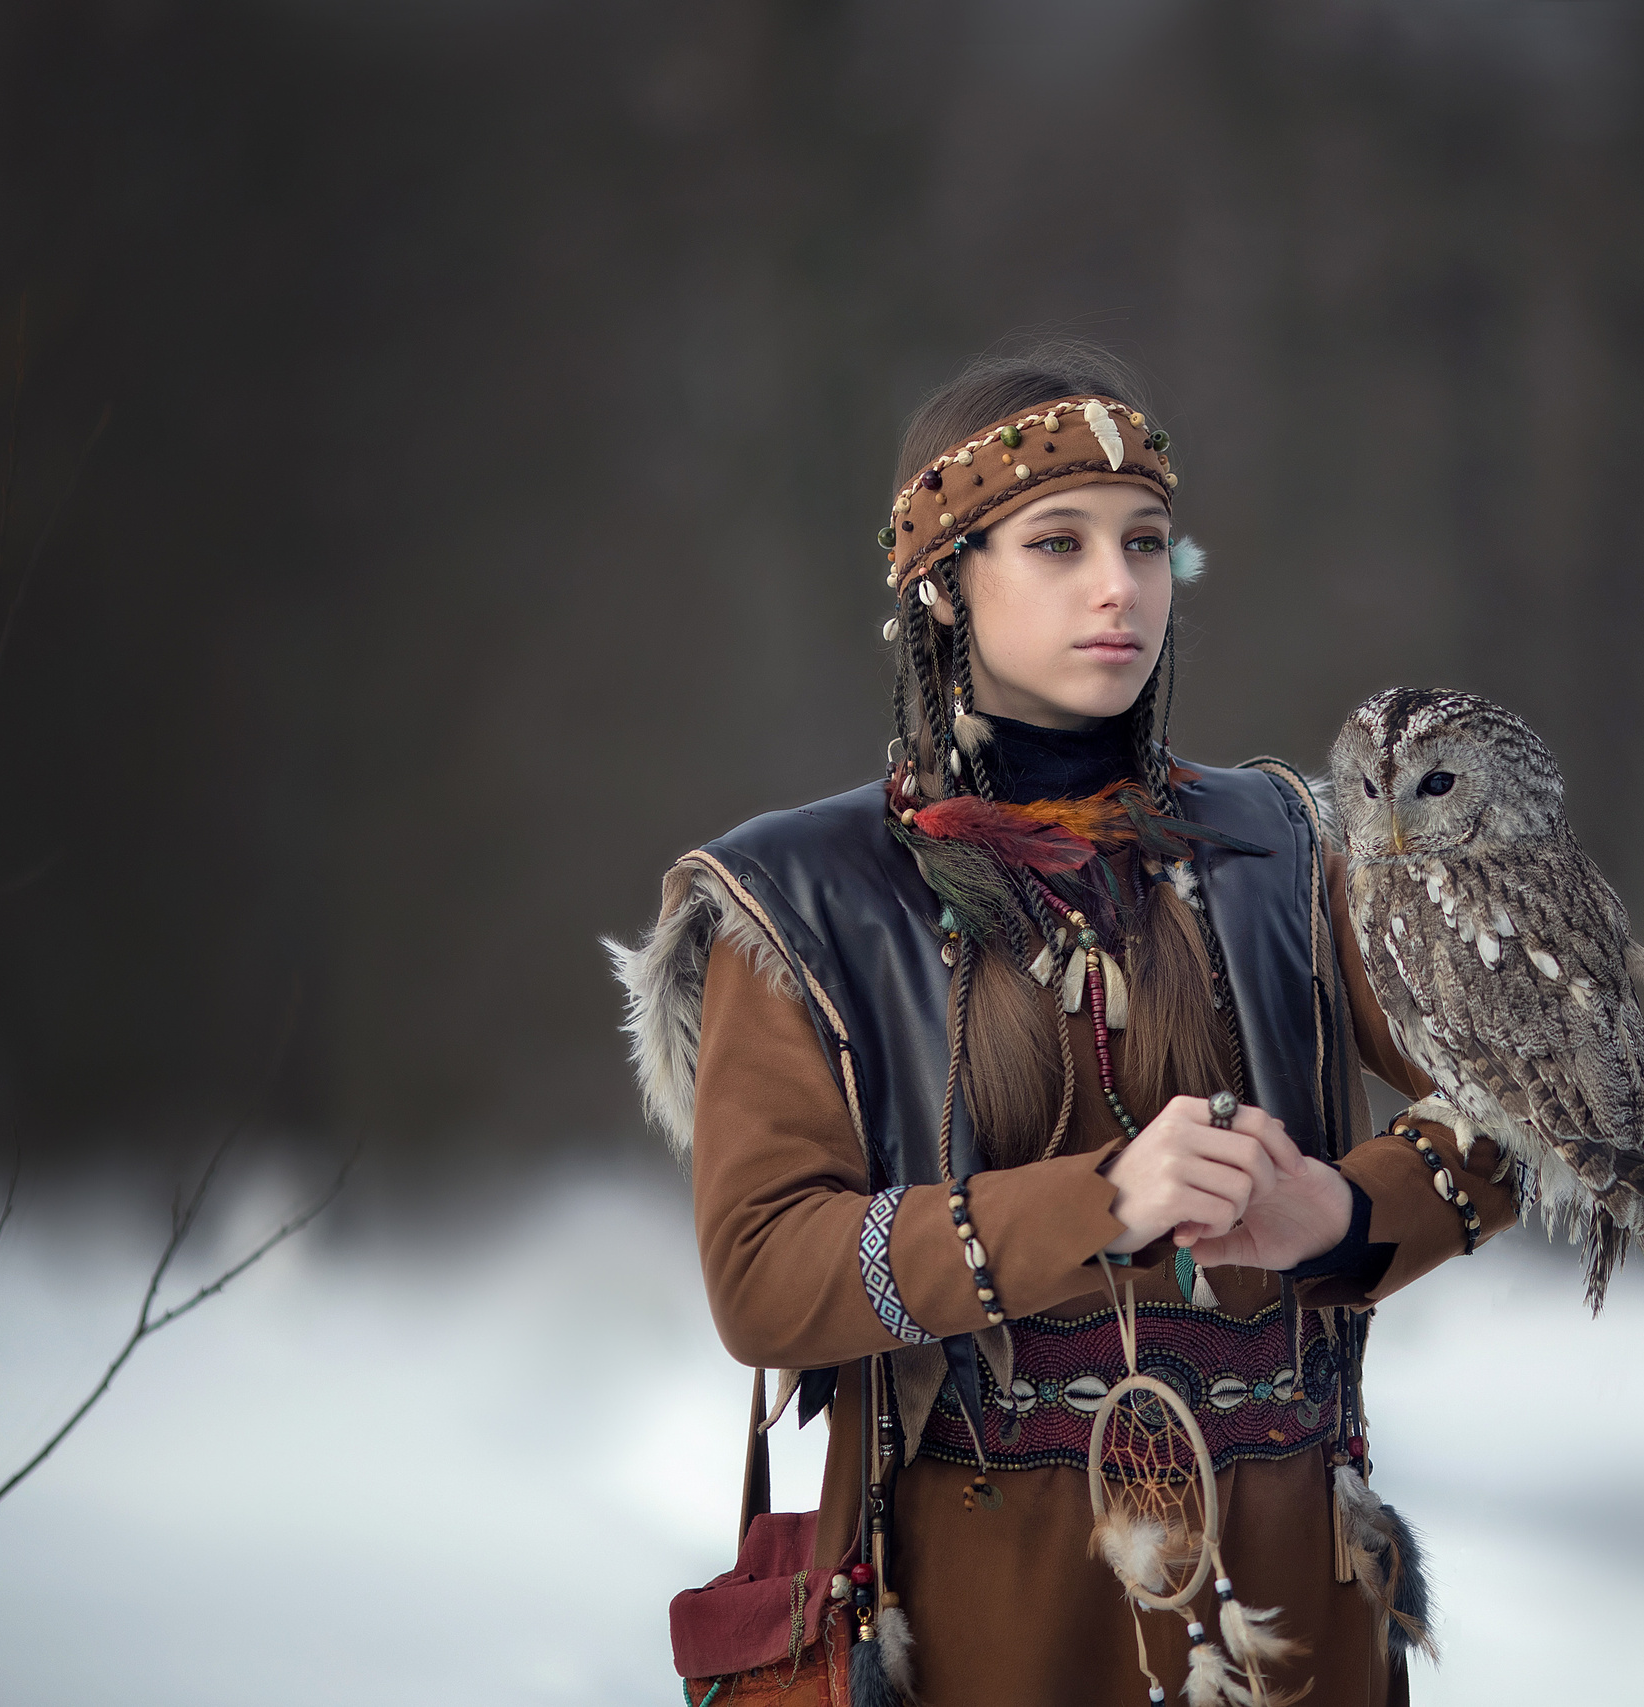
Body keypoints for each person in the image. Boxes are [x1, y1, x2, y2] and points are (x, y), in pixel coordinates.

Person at [615, 339, 1519, 1706]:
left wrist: (1336, 1216)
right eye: (1057, 543)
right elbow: (761, 1272)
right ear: (939, 583)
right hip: (980, 1618)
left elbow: (1534, 1108)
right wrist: (1100, 1202)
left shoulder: (1286, 850)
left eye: (1148, 543)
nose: (1121, 588)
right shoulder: (804, 897)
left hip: (1291, 1612)